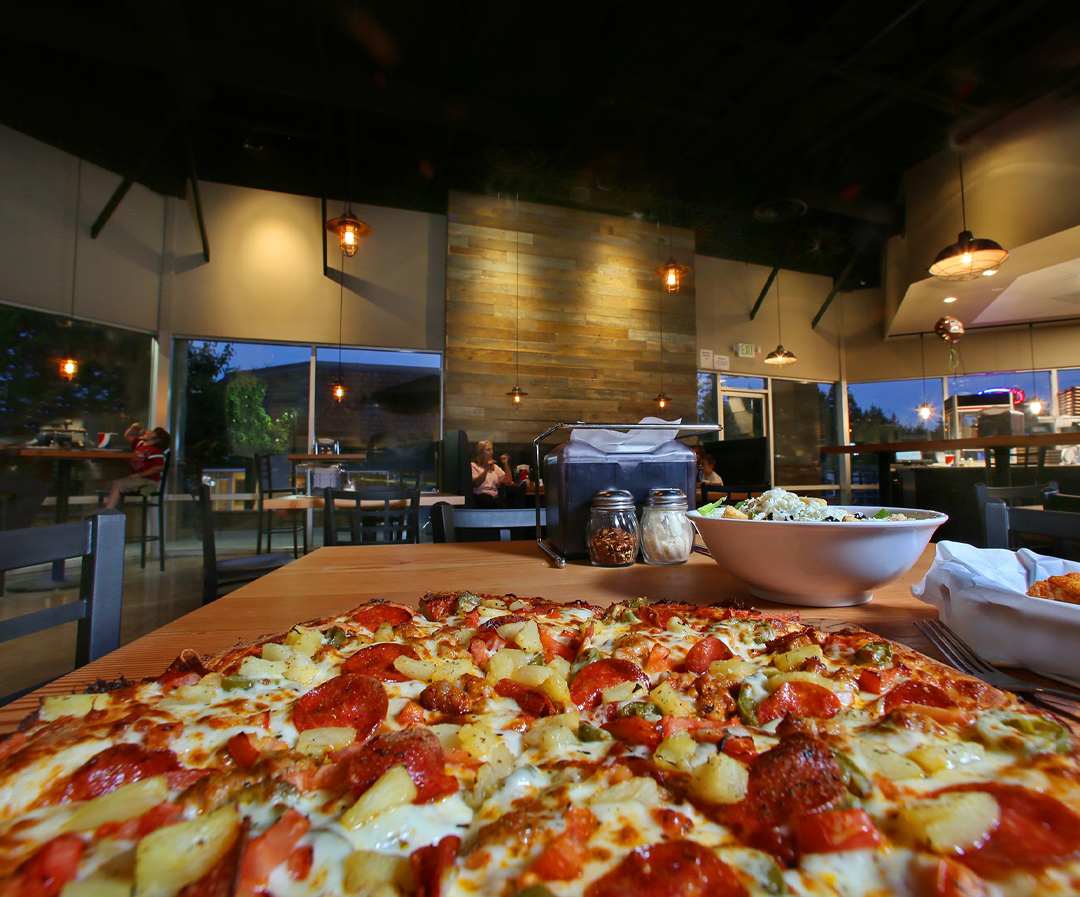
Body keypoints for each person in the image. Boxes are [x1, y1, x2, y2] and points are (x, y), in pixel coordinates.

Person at [101, 423, 171, 509]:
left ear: (156, 439)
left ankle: (108, 510)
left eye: (152, 432)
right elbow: (128, 436)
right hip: (138, 479)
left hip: (149, 481)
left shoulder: (155, 451)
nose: (147, 431)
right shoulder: (140, 444)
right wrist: (133, 427)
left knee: (117, 485)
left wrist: (138, 475)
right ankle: (114, 507)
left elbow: (158, 467)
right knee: (110, 485)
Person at [470, 439, 512, 508]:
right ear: (480, 453)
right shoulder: (473, 466)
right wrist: (487, 469)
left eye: (492, 450)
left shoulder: (495, 467)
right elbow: (476, 484)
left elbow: (508, 480)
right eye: (488, 450)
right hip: (480, 499)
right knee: (485, 498)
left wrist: (505, 464)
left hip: (494, 498)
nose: (491, 452)